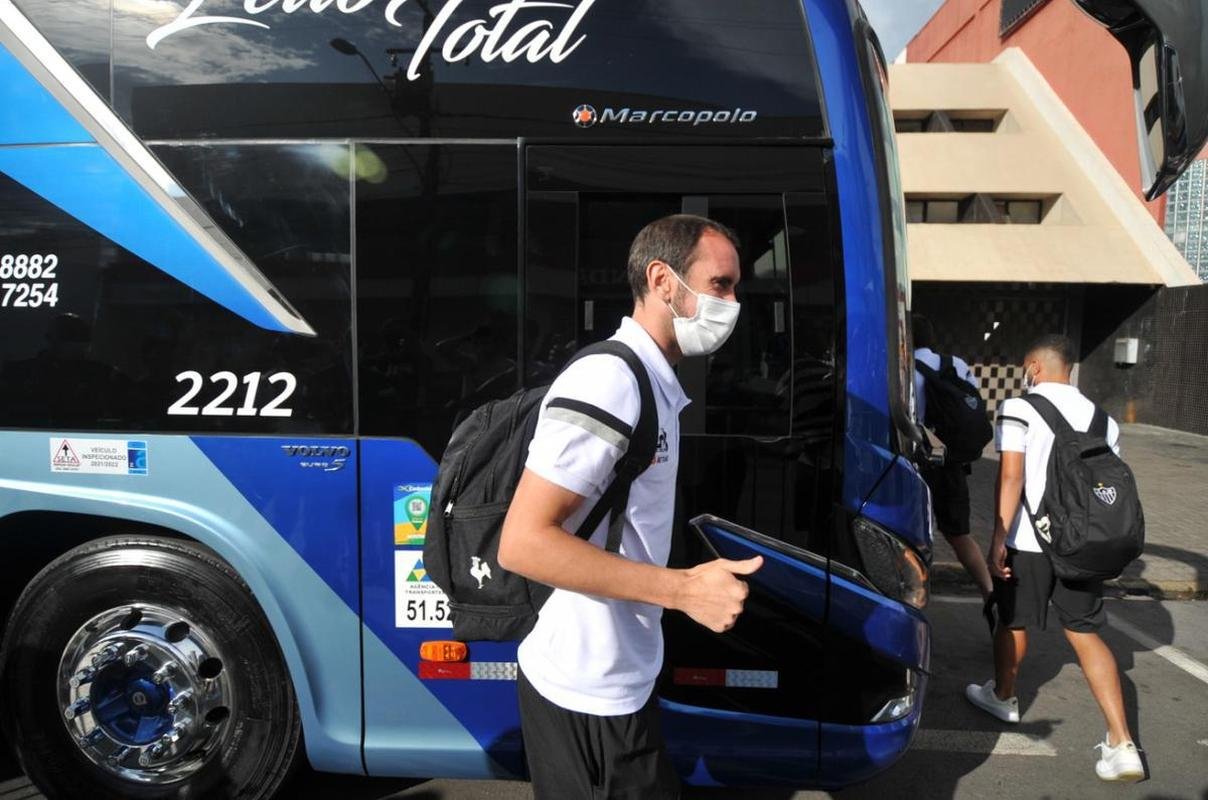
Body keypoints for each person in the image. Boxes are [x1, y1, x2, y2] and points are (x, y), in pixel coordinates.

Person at [498, 214, 763, 799]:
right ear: (663, 280)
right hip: (585, 688)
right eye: (720, 284)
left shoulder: (653, 380)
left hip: (619, 677)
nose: (733, 301)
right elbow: (523, 541)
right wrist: (685, 591)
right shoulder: (609, 382)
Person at [965, 334, 1145, 782]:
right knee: (1084, 633)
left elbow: (1011, 475)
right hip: (1083, 543)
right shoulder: (1103, 420)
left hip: (1028, 539)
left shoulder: (1019, 407)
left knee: (1014, 620)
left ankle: (1004, 696)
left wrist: (997, 537)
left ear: (1034, 367)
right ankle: (1122, 744)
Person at [912, 315, 994, 600]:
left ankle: (915, 591)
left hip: (917, 463)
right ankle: (990, 593)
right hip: (952, 464)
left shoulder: (902, 368)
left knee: (914, 533)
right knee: (959, 533)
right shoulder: (956, 364)